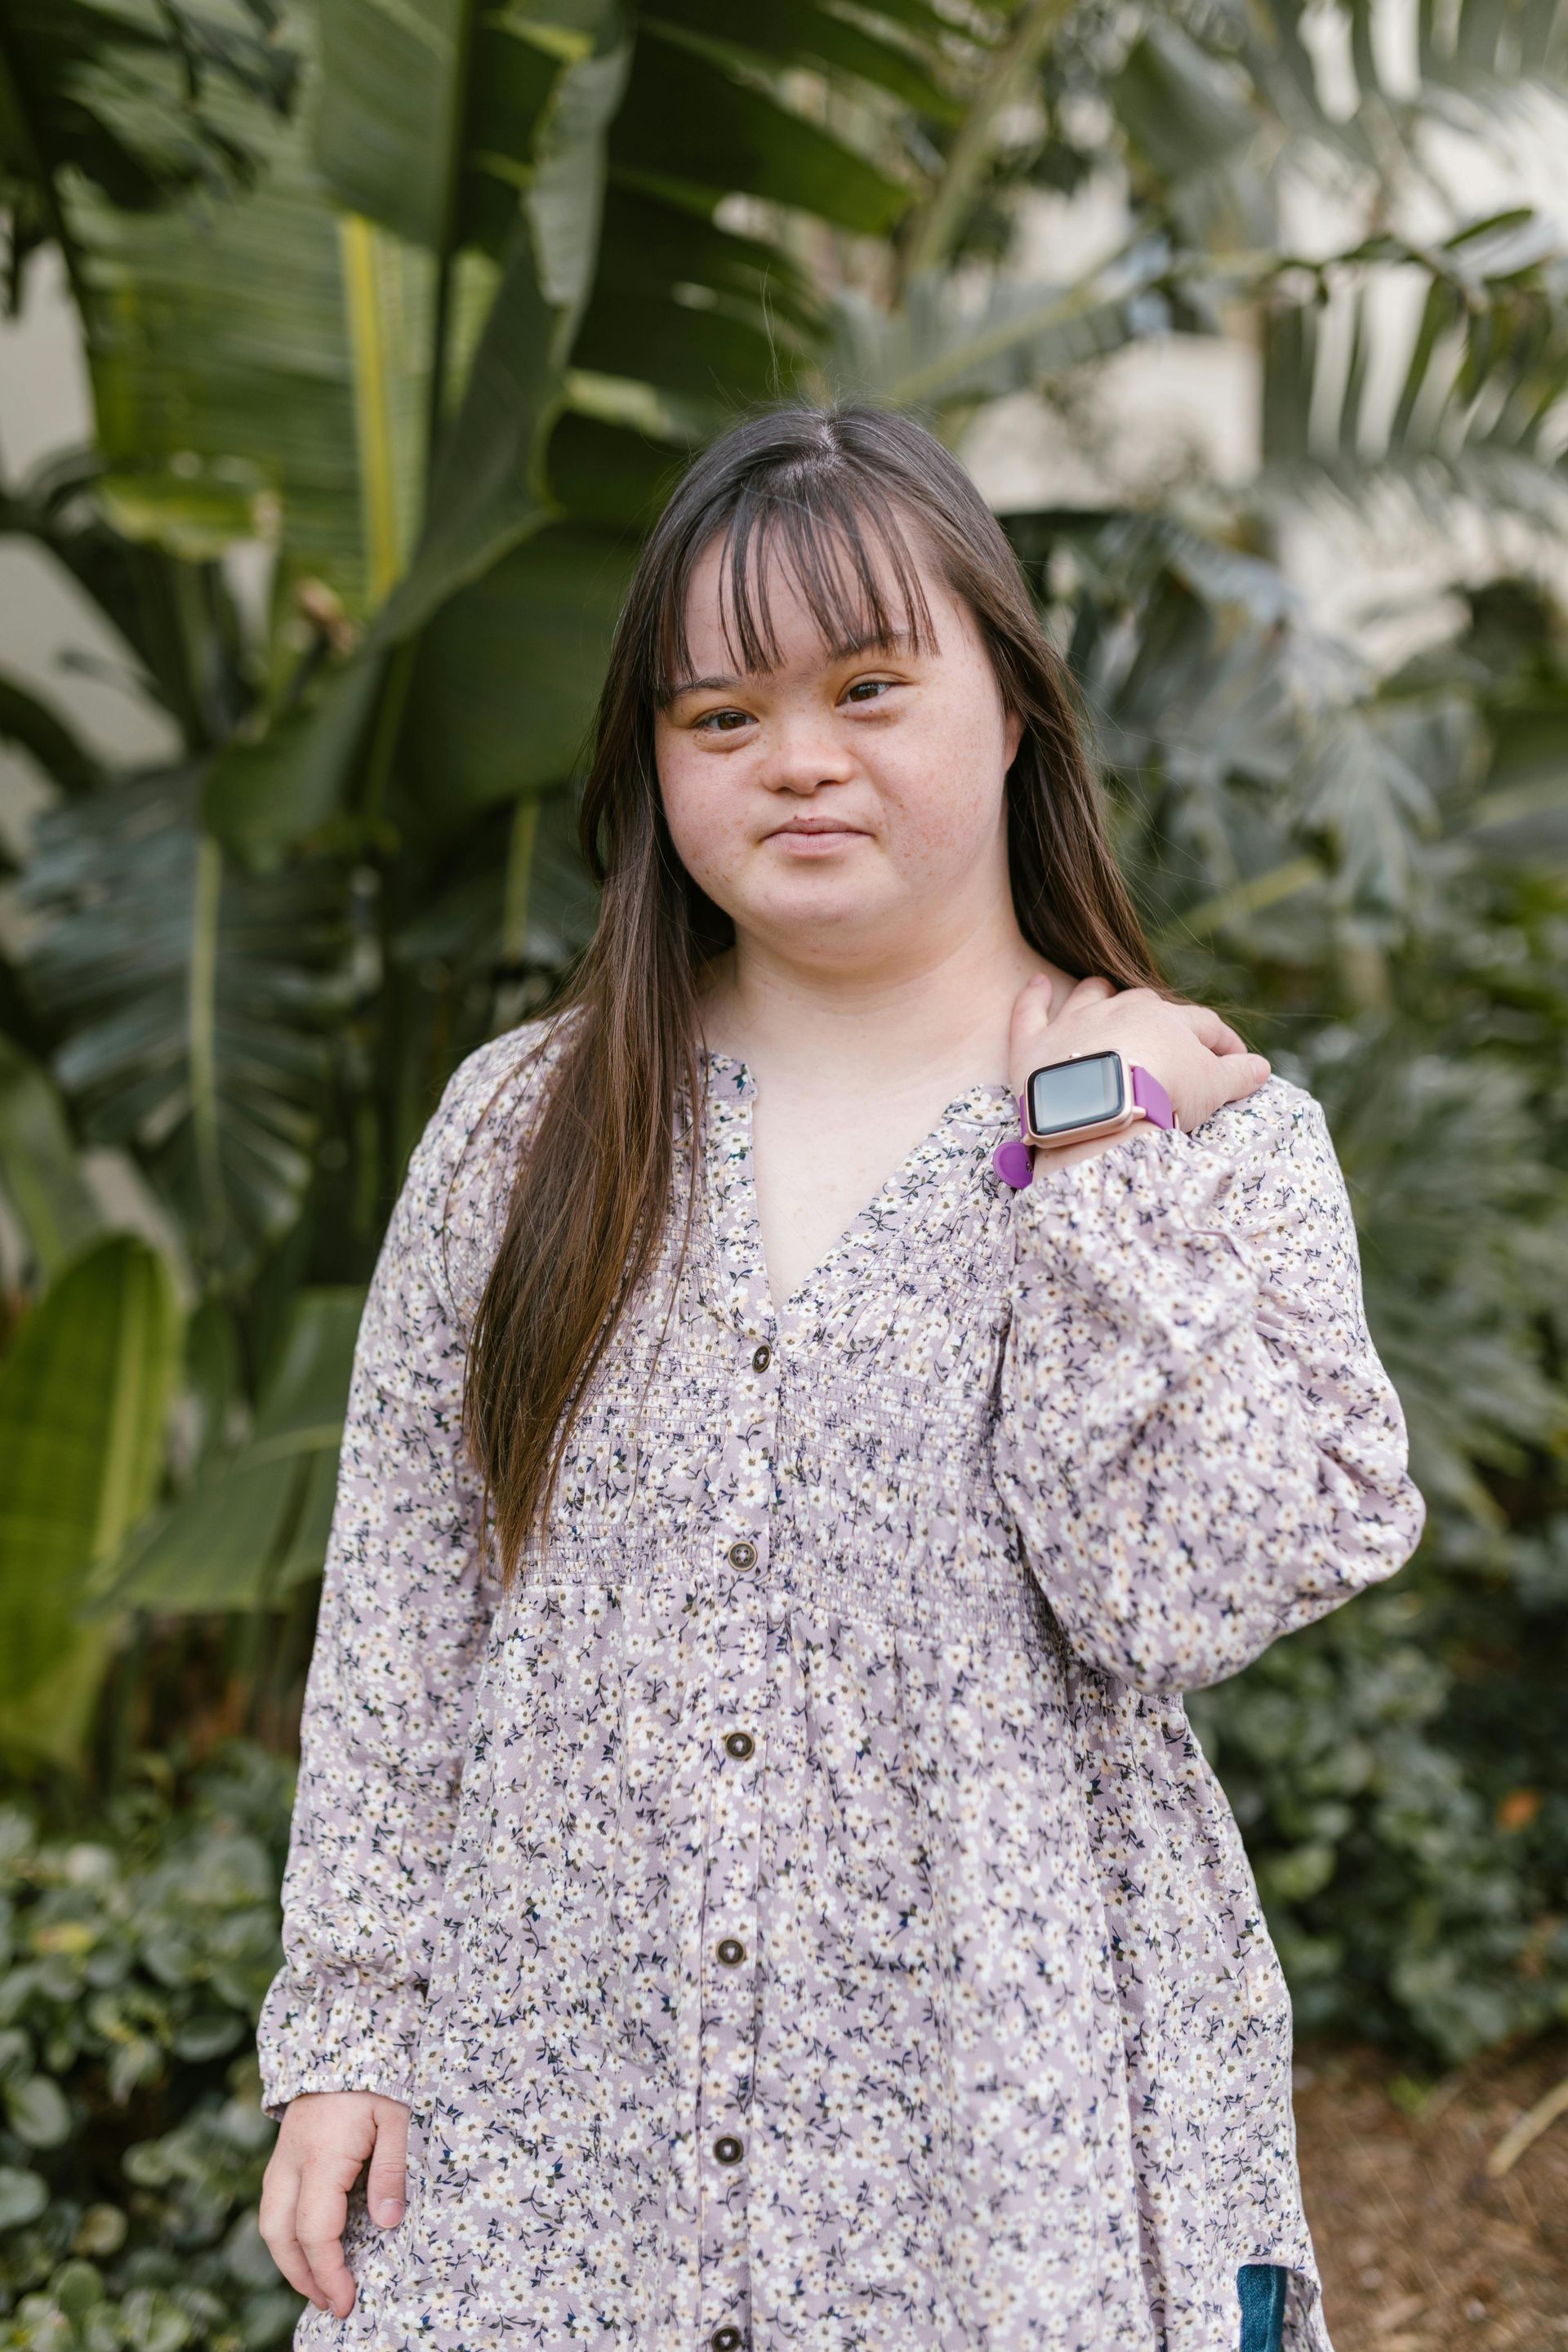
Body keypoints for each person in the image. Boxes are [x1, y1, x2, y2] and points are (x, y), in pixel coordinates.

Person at [256, 405, 1426, 2352]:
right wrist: (353, 2022)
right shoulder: (519, 1135)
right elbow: (406, 1614)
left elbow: (1173, 1595)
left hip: (1004, 2141)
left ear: (1010, 705)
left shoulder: (1210, 1136)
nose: (798, 759)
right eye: (721, 716)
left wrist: (1089, 1151)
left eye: (869, 687)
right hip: (556, 2142)